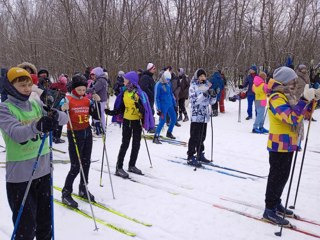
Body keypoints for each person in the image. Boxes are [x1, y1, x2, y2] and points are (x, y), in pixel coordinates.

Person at [0, 67, 67, 240]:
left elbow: (64, 119)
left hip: (43, 172)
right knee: (26, 229)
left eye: (29, 85)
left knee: (45, 225)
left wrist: (55, 114)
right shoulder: (4, 109)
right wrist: (38, 126)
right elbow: (16, 133)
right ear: (10, 87)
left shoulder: (36, 103)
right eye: (22, 85)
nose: (27, 89)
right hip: (21, 177)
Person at [263, 66, 320, 225]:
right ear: (285, 81)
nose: (295, 83)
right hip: (278, 144)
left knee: (283, 177)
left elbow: (304, 114)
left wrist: (312, 100)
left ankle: (276, 203)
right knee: (276, 177)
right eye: (293, 80)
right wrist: (303, 100)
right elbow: (292, 118)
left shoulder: (289, 96)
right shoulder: (276, 98)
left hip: (290, 143)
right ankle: (269, 209)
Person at [61, 75, 101, 208]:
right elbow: (58, 114)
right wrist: (62, 108)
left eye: (84, 90)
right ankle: (66, 193)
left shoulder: (86, 101)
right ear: (74, 89)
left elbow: (95, 115)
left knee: (86, 163)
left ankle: (83, 188)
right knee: (75, 166)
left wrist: (96, 103)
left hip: (87, 133)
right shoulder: (67, 99)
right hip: (74, 134)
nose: (82, 92)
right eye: (79, 90)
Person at [105, 71, 154, 178]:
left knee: (136, 144)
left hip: (136, 121)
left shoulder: (140, 94)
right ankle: (119, 167)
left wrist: (138, 106)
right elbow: (121, 108)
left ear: (131, 81)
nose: (124, 81)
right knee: (125, 144)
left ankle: (132, 165)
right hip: (127, 121)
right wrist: (112, 112)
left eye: (125, 79)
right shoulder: (124, 93)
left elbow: (144, 110)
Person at [187, 69, 217, 167]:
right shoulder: (193, 86)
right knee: (194, 136)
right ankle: (190, 155)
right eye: (200, 76)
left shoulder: (207, 86)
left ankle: (200, 153)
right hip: (196, 116)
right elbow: (193, 101)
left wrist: (213, 96)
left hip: (204, 116)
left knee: (202, 136)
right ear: (197, 77)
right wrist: (203, 95)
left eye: (204, 76)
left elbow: (211, 102)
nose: (202, 78)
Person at [153, 70, 177, 144]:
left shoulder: (168, 84)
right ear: (163, 77)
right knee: (162, 121)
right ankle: (156, 136)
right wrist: (158, 109)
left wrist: (174, 104)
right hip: (163, 106)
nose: (168, 81)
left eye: (169, 80)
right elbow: (156, 98)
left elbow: (171, 94)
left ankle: (169, 132)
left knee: (174, 119)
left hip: (170, 104)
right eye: (167, 79)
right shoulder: (158, 85)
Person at [87, 67, 108, 137]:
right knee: (100, 114)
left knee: (99, 115)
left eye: (94, 75)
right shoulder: (101, 79)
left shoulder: (101, 80)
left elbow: (94, 89)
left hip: (100, 100)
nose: (93, 77)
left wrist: (85, 90)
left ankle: (100, 131)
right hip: (100, 99)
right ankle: (101, 130)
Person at [50, 74, 68, 143]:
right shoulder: (63, 87)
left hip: (52, 106)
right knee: (59, 122)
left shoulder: (53, 85)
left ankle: (53, 136)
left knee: (54, 121)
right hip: (59, 106)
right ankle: (57, 137)